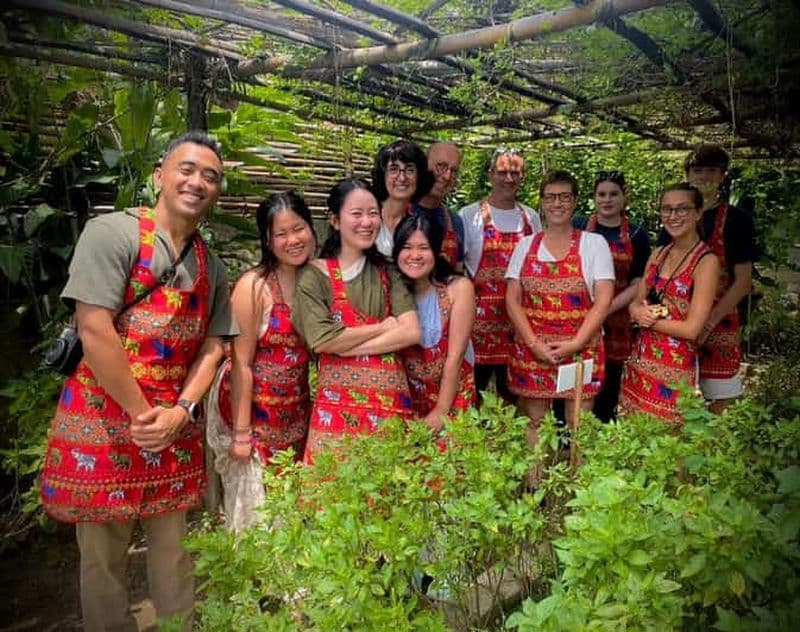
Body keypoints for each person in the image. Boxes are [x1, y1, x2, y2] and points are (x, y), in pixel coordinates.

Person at [39, 132, 237, 631]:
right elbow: (94, 327)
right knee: (103, 559)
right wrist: (139, 413)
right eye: (187, 169)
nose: (198, 182)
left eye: (210, 176)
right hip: (106, 424)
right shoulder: (113, 234)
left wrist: (181, 411)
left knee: (174, 554)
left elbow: (215, 346)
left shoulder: (211, 264)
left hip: (171, 427)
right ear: (159, 177)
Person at [205, 191, 315, 531]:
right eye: (281, 234)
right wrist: (241, 433)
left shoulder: (318, 280)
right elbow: (241, 363)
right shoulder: (253, 286)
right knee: (254, 508)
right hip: (250, 410)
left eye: (298, 229)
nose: (292, 240)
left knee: (290, 499)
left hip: (295, 410)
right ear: (267, 240)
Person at [293, 178, 421, 464]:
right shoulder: (315, 276)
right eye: (357, 214)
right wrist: (383, 326)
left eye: (373, 213)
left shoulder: (388, 273)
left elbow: (411, 332)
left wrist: (345, 344)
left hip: (389, 411)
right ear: (335, 221)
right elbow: (322, 339)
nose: (367, 222)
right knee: (331, 499)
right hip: (336, 415)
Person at [505, 170, 614, 447]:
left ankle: (579, 485)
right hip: (533, 349)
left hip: (581, 348)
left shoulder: (594, 244)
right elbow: (512, 299)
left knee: (579, 423)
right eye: (551, 197)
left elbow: (603, 299)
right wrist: (533, 343)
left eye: (564, 197)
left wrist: (575, 343)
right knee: (535, 421)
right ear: (541, 201)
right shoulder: (525, 245)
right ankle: (535, 482)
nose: (557, 204)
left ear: (575, 201)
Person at [621, 183, 719, 422]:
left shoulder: (706, 262)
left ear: (698, 213)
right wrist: (636, 311)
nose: (673, 216)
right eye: (667, 209)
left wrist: (647, 321)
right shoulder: (658, 253)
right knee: (637, 438)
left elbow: (692, 329)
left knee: (671, 444)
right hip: (641, 362)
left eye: (682, 209)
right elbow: (636, 301)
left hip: (676, 368)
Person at [460, 147, 542, 405]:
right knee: (474, 395)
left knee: (513, 398)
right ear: (490, 174)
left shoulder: (531, 217)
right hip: (477, 327)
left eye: (515, 172)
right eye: (502, 172)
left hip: (517, 325)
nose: (509, 178)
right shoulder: (470, 215)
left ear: (523, 175)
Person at [679, 145, 757, 412]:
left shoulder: (738, 220)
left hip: (720, 320)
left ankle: (712, 451)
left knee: (720, 400)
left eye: (711, 170)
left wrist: (708, 323)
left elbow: (743, 282)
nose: (703, 177)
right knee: (677, 396)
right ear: (688, 175)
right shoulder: (676, 216)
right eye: (697, 171)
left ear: (723, 175)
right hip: (680, 319)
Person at [573, 171, 651, 421]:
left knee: (608, 382)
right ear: (594, 198)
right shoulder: (578, 226)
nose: (607, 200)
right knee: (575, 378)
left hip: (617, 321)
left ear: (624, 198)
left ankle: (601, 436)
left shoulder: (637, 235)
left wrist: (605, 307)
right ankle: (567, 441)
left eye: (613, 194)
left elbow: (640, 281)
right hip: (578, 315)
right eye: (601, 194)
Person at [393, 214, 476, 431]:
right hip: (404, 400)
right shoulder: (388, 291)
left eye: (423, 247)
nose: (415, 255)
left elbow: (455, 356)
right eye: (407, 247)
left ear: (436, 251)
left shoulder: (458, 288)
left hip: (451, 396)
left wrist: (441, 411)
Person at [372, 139, 435, 257]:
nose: (402, 177)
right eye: (394, 169)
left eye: (410, 170)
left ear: (419, 177)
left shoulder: (419, 226)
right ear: (383, 175)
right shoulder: (366, 217)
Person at [412, 141, 466, 271]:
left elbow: (457, 273)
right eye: (441, 166)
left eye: (453, 171)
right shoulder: (398, 212)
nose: (447, 176)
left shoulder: (454, 222)